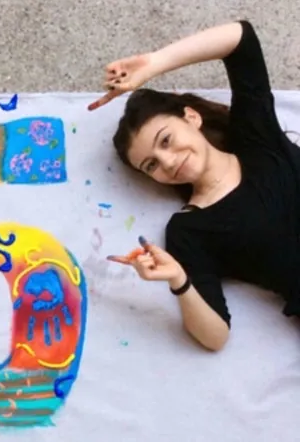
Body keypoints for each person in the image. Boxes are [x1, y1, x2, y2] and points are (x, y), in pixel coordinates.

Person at [88, 20, 300, 352]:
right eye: (151, 165)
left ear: (191, 117)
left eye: (166, 140)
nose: (167, 161)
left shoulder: (255, 138)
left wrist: (153, 63)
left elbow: (241, 38)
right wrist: (179, 281)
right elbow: (215, 336)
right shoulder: (190, 229)